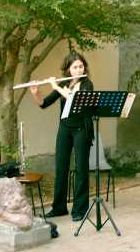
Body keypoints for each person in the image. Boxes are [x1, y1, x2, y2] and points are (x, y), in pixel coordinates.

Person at [29, 51, 94, 221]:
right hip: (65, 128)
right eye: (75, 67)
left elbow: (75, 100)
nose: (79, 70)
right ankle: (59, 207)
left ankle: (80, 209)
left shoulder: (87, 84)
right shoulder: (65, 83)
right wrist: (35, 92)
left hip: (81, 129)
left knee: (81, 169)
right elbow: (43, 104)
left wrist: (56, 86)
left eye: (81, 66)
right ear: (68, 69)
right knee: (61, 168)